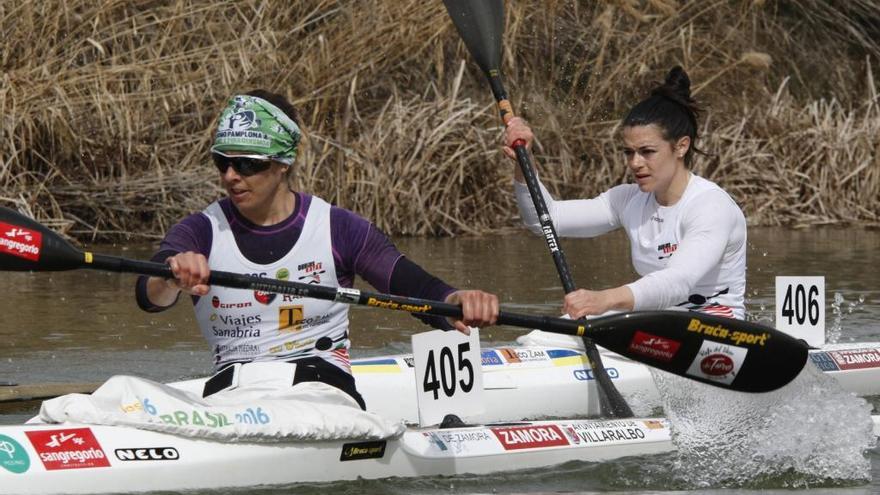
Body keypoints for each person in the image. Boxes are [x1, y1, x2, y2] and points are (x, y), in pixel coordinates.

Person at [136, 90, 499, 410]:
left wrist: (456, 300)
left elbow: (411, 286)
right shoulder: (201, 230)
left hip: (321, 390)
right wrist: (171, 276)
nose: (232, 175)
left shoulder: (337, 228)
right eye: (223, 162)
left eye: (248, 163)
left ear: (283, 163)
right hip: (230, 394)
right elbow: (148, 296)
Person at [503, 66, 747, 320]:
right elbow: (544, 221)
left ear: (681, 146)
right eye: (629, 152)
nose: (635, 163)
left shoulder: (710, 206)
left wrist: (604, 299)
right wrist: (524, 163)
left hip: (717, 331)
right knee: (554, 331)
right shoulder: (628, 200)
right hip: (658, 323)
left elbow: (678, 282)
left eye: (647, 151)